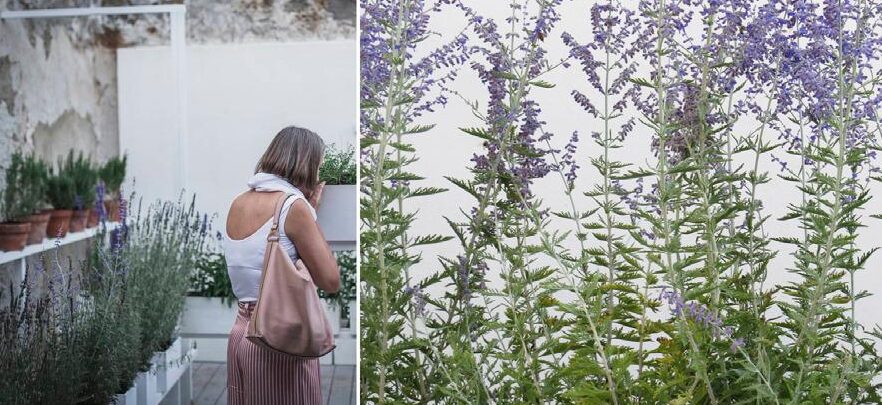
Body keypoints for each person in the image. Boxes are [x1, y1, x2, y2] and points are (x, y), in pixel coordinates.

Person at [223, 126, 340, 404]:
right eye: (319, 166)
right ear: (306, 164)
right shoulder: (293, 206)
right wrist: (310, 214)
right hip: (277, 338)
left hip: (241, 333)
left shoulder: (238, 202)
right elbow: (331, 280)